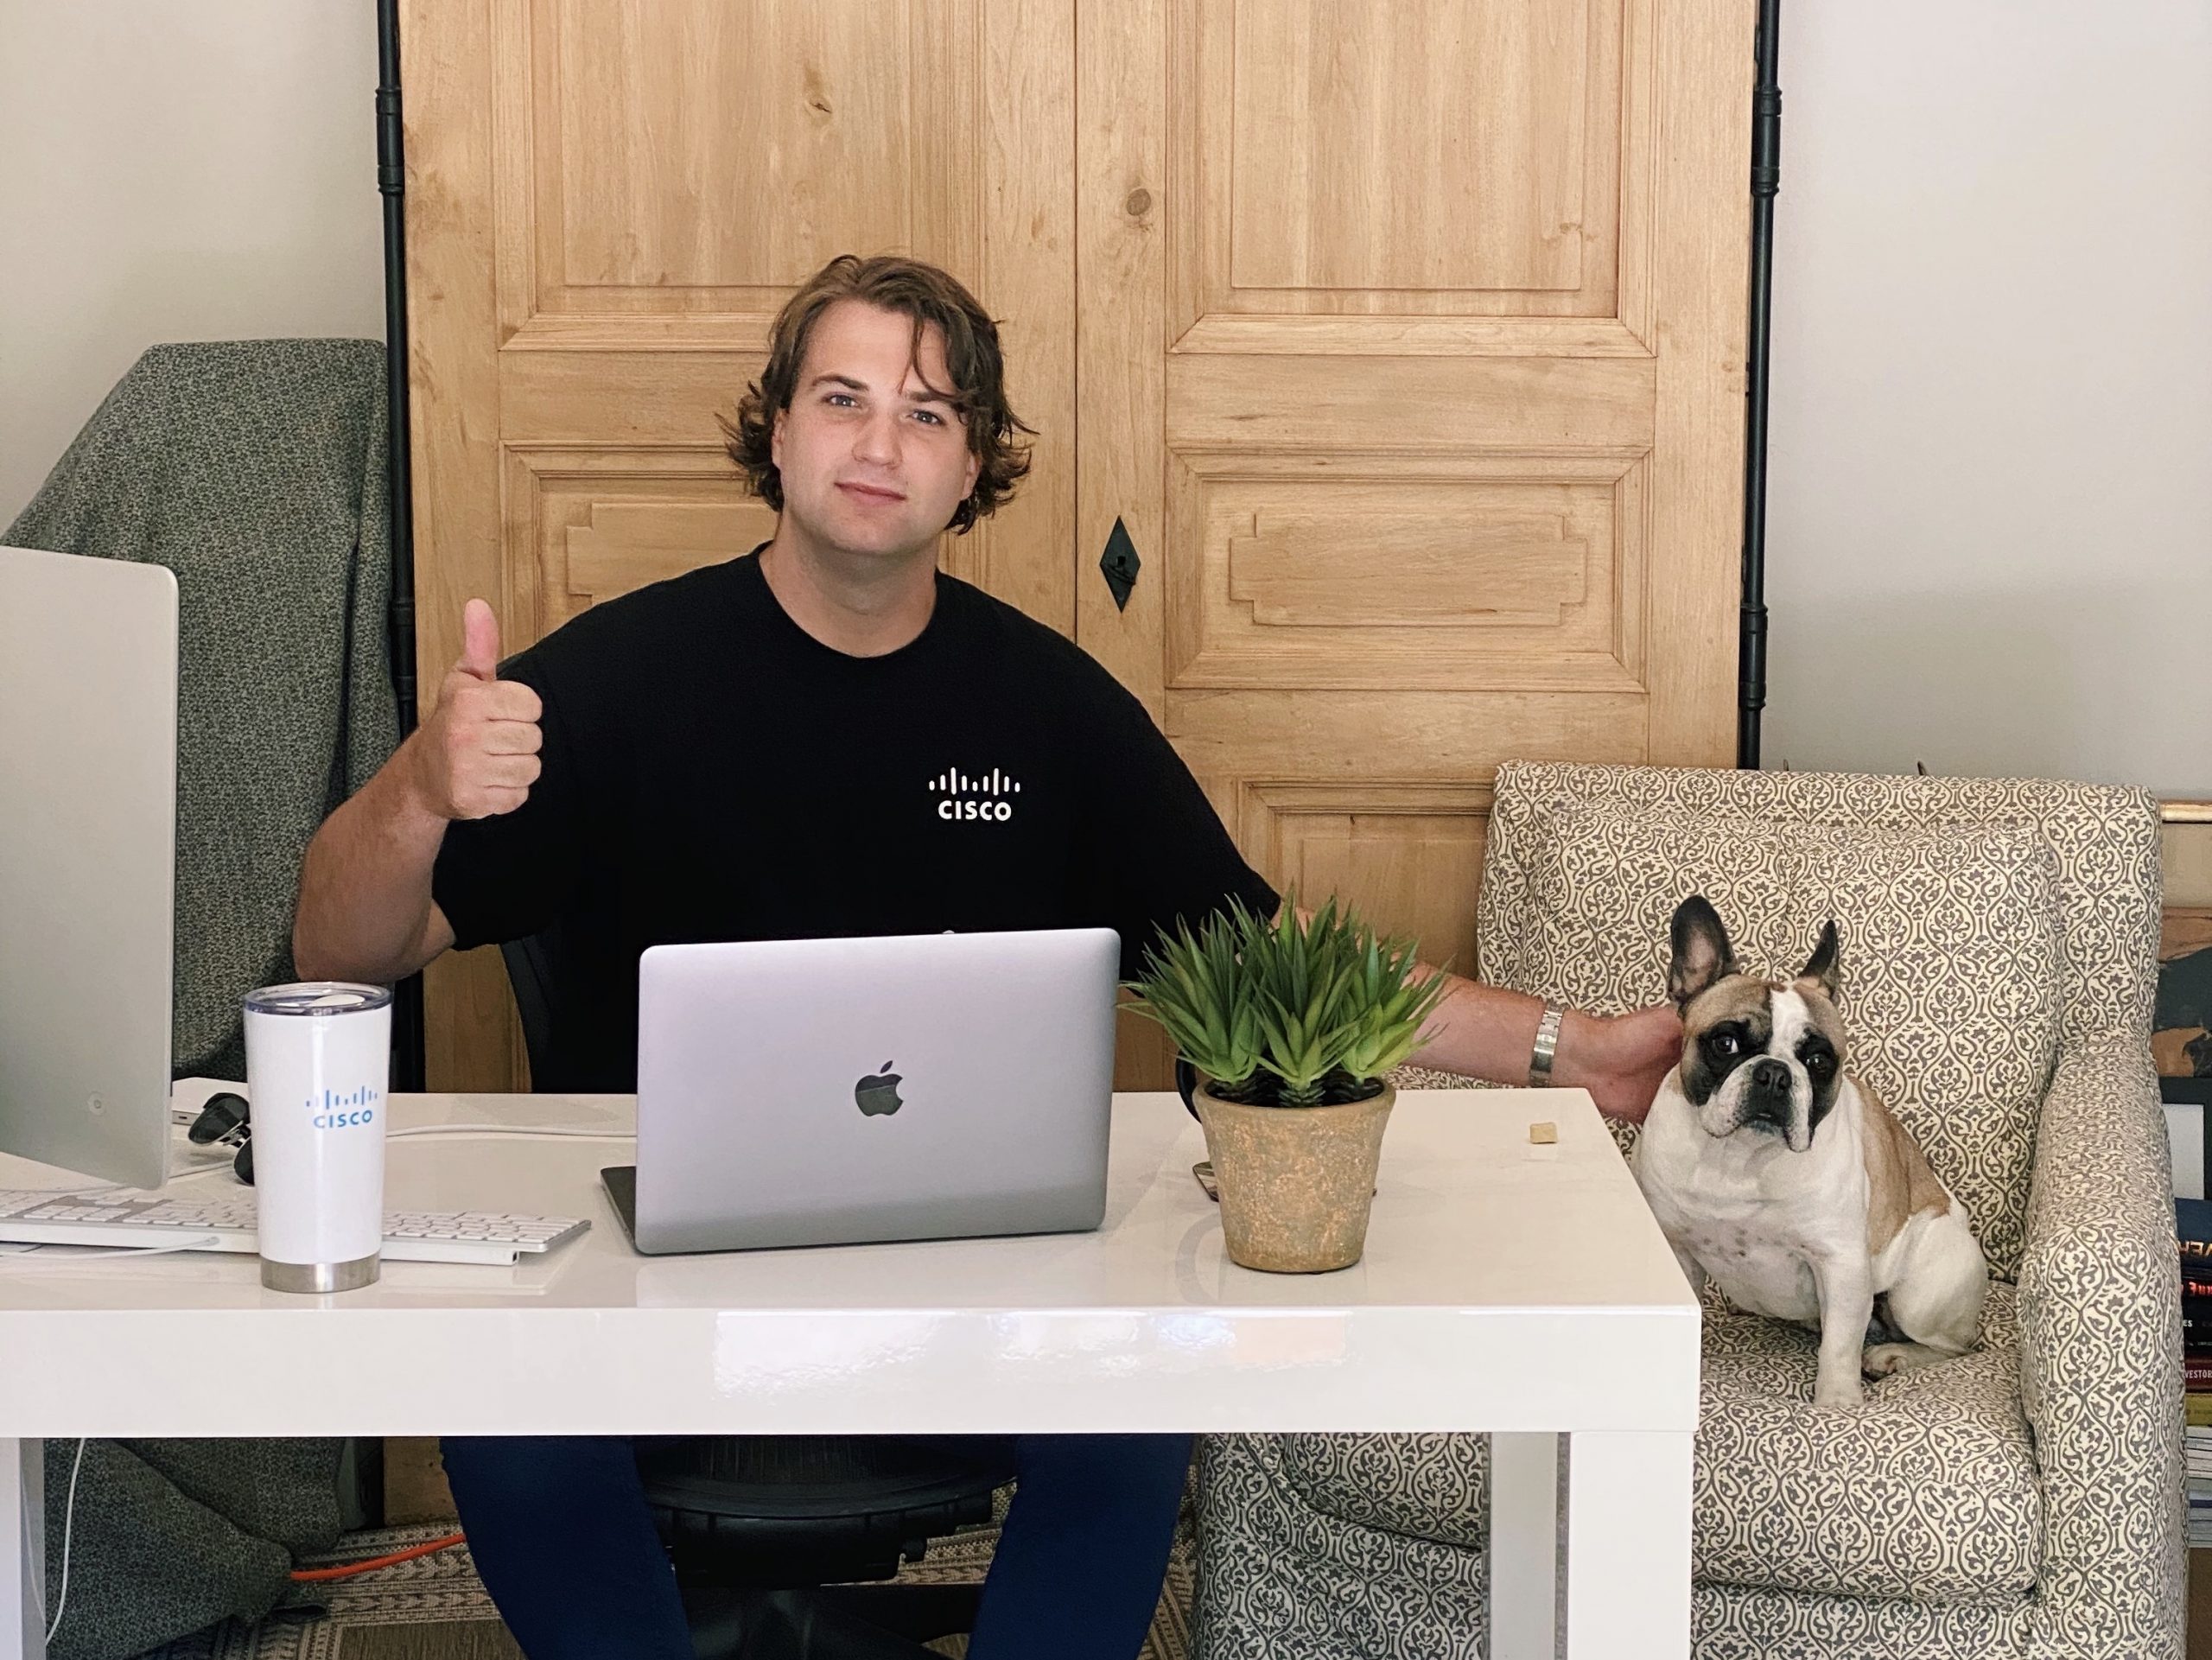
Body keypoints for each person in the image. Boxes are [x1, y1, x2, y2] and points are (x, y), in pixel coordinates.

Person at [293, 254, 1681, 1659]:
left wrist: (1576, 1049)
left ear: (975, 471)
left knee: (1141, 1405)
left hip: (980, 1296)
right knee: (501, 1410)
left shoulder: (1050, 708)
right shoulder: (611, 681)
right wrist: (418, 783)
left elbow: (1275, 968)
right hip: (650, 1294)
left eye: (930, 413)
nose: (880, 441)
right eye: (842, 397)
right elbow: (338, 951)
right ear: (775, 428)